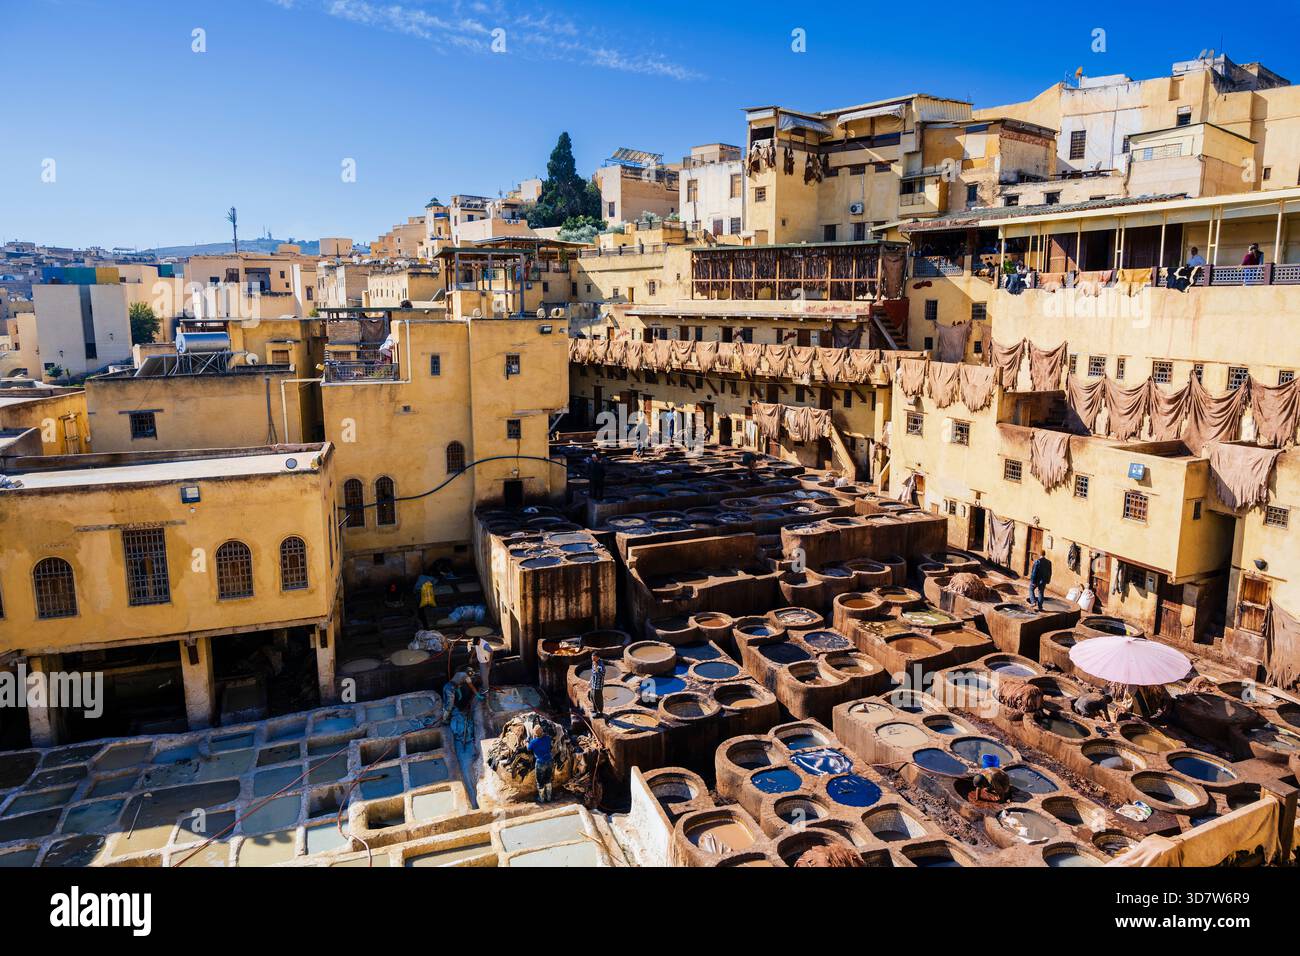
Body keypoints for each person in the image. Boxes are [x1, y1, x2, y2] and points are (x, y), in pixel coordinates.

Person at [528, 725, 554, 804]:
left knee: (540, 782)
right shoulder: (548, 738)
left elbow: (528, 749)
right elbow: (550, 745)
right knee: (548, 779)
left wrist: (527, 742)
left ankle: (541, 799)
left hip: (540, 763)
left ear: (535, 734)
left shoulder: (533, 742)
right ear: (542, 731)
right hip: (549, 761)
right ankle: (549, 797)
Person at [474, 635, 493, 700]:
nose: (476, 644)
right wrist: (471, 657)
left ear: (479, 641)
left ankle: (486, 689)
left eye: (477, 643)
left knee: (484, 676)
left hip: (485, 662)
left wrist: (489, 662)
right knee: (482, 675)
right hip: (481, 661)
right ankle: (484, 686)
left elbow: (491, 651)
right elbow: (475, 648)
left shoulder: (485, 645)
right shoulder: (476, 642)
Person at [589, 652, 606, 717]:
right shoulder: (594, 662)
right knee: (592, 697)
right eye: (592, 657)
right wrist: (590, 680)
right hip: (593, 683)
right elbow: (593, 673)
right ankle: (594, 709)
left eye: (594, 657)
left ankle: (600, 713)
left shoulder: (600, 665)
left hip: (598, 685)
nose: (592, 659)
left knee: (597, 699)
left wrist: (596, 667)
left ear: (598, 657)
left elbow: (602, 675)